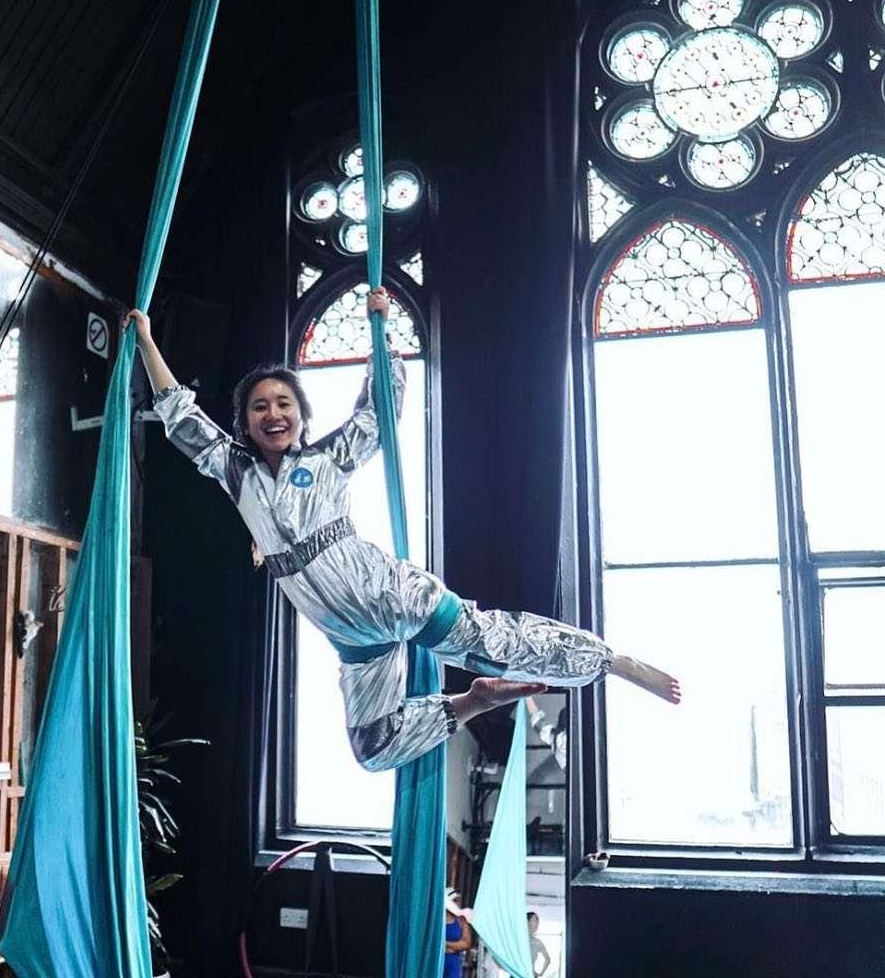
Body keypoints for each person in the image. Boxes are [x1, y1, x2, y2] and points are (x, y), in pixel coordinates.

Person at [126, 288, 680, 772]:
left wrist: (381, 332)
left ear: (302, 415)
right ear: (244, 423)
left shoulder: (326, 459)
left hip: (388, 595)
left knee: (493, 646)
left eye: (284, 403)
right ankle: (475, 701)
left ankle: (611, 661)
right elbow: (181, 417)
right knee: (373, 746)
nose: (273, 413)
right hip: (350, 636)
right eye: (258, 407)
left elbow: (377, 413)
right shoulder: (236, 472)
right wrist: (148, 338)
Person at [444, 889, 473, 978]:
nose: (457, 903)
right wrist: (455, 946)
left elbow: (466, 944)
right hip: (437, 960)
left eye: (457, 900)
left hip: (453, 962)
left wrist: (445, 944)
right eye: (454, 900)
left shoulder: (461, 920)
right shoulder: (438, 919)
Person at [527, 911, 551, 977]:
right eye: (535, 919)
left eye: (538, 920)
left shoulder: (538, 942)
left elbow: (548, 959)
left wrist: (541, 973)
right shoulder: (518, 939)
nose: (538, 923)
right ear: (527, 922)